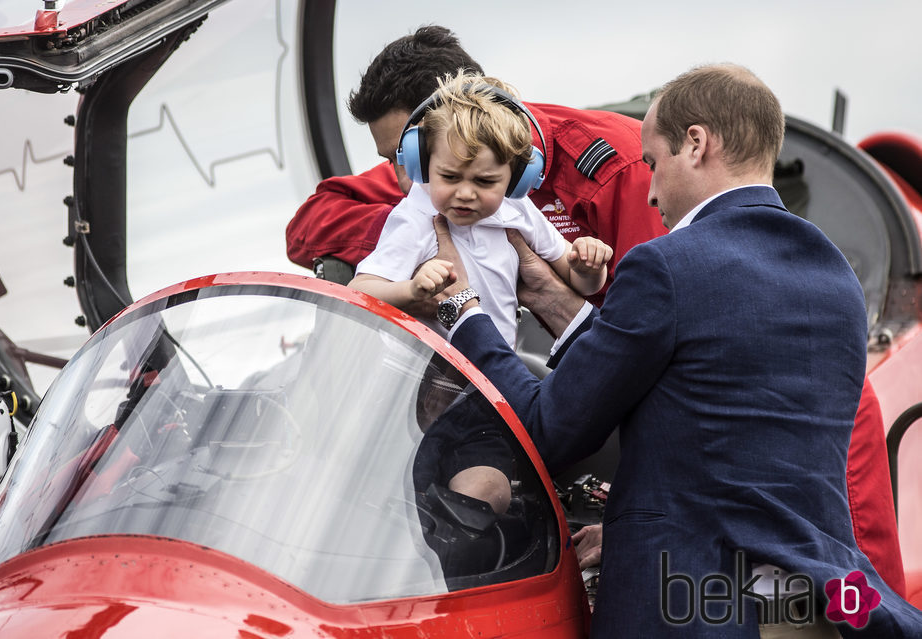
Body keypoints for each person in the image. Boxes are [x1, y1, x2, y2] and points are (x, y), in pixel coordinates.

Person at [434, 64, 922, 637]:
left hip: (694, 610)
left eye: (652, 162)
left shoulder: (666, 265)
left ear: (696, 144)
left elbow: (549, 425)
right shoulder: (834, 277)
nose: (651, 188)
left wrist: (462, 310)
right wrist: (549, 293)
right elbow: (730, 435)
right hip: (826, 605)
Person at [285, 25, 666, 306]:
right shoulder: (430, 181)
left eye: (406, 153)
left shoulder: (622, 166)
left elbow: (649, 316)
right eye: (398, 159)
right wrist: (422, 235)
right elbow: (307, 226)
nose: (405, 181)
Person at [349, 72, 612, 348]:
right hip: (429, 376)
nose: (464, 193)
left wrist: (589, 267)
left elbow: (582, 283)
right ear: (423, 165)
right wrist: (411, 291)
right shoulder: (416, 218)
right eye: (449, 177)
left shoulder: (517, 209)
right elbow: (359, 292)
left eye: (485, 181)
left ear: (518, 179)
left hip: (494, 373)